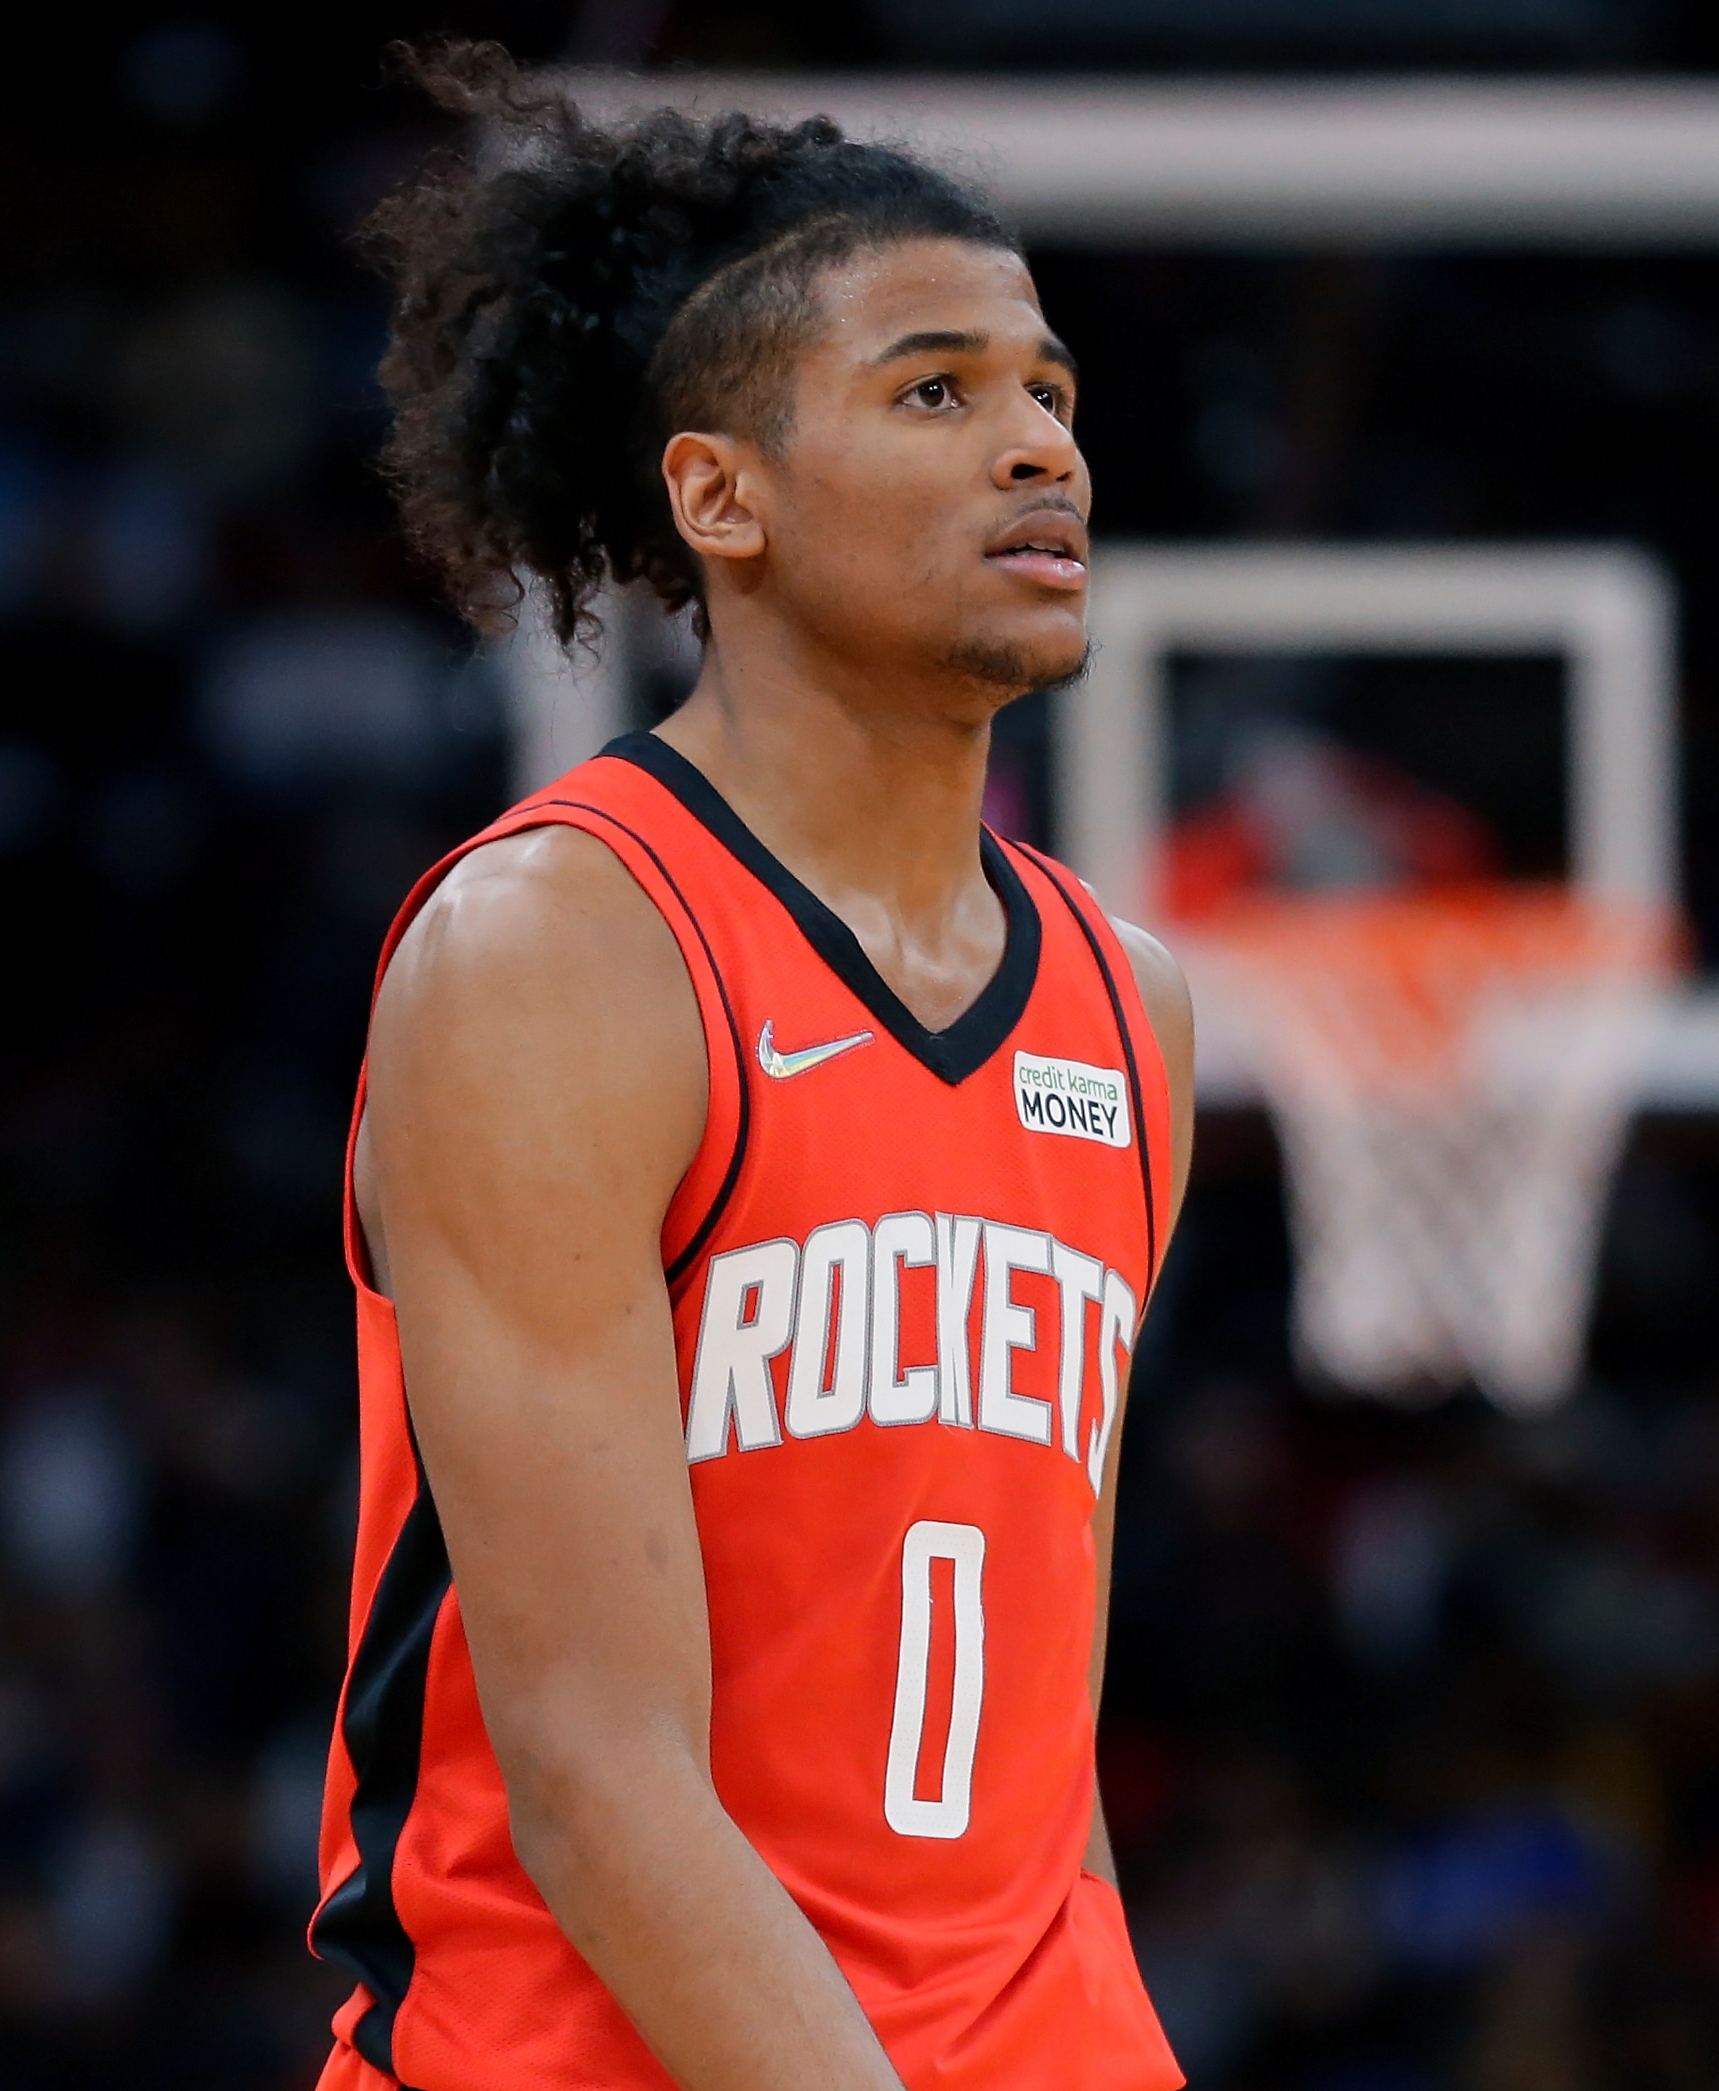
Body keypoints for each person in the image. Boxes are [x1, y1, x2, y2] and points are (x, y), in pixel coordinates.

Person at [311, 46, 1194, 2091]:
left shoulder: (1120, 1001)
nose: (1036, 450)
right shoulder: (557, 951)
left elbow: (1034, 1754)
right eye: (934, 392)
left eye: (1047, 391)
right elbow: (596, 1770)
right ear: (720, 495)